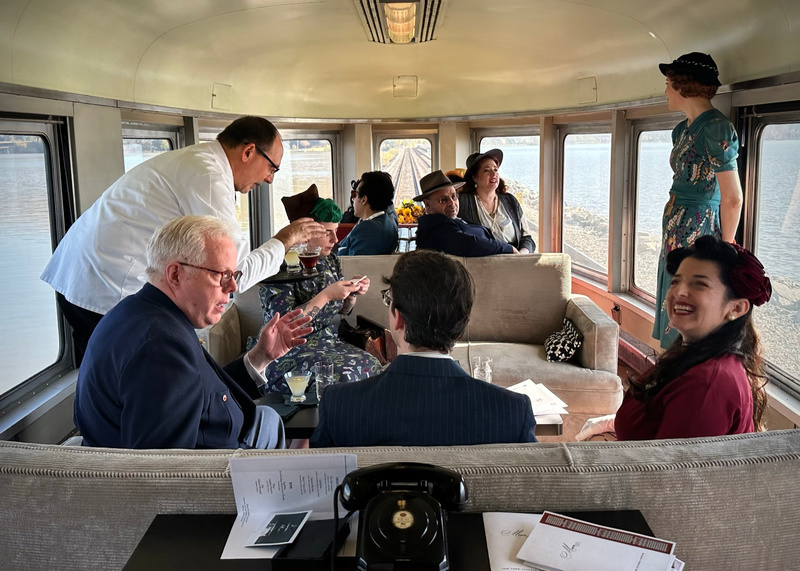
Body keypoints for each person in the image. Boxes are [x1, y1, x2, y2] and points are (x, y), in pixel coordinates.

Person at [41, 116, 324, 364]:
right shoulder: (208, 176)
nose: (270, 179)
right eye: (272, 168)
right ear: (249, 151)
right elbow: (236, 275)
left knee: (116, 384)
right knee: (134, 384)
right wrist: (285, 240)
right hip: (104, 286)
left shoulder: (200, 162)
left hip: (84, 275)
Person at [74, 215, 313, 449]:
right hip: (224, 461)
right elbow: (169, 472)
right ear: (176, 274)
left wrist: (261, 356)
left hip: (235, 426)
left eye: (233, 274)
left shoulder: (143, 312)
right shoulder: (160, 347)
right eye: (222, 275)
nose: (233, 287)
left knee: (267, 417)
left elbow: (202, 392)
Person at [310, 249, 536, 447]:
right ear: (463, 324)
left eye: (389, 300)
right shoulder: (513, 412)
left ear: (398, 320)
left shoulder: (339, 406)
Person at [577, 235, 771, 441]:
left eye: (699, 284)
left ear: (736, 308)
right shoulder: (694, 356)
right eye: (676, 282)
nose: (679, 291)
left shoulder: (707, 384)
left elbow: (673, 470)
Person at [653, 52, 743, 348]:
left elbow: (731, 198)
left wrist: (726, 248)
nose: (665, 90)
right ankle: (670, 362)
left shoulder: (716, 129)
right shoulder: (681, 130)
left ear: (683, 85)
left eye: (668, 82)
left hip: (698, 226)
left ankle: (685, 364)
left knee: (689, 294)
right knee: (674, 287)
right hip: (675, 227)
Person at [256, 196, 382, 392]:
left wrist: (351, 294)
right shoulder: (278, 265)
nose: (336, 239)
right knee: (341, 376)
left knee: (372, 365)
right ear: (304, 233)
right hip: (288, 349)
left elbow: (342, 311)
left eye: (336, 230)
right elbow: (284, 326)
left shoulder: (330, 260)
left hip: (329, 342)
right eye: (327, 233)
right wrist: (327, 295)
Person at [414, 170, 517, 256]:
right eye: (443, 200)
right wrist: (509, 248)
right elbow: (468, 244)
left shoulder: (447, 220)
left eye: (454, 196)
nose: (452, 203)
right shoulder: (435, 227)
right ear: (427, 205)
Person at [458, 149, 536, 253]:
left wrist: (521, 255)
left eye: (495, 170)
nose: (493, 174)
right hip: (480, 265)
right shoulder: (462, 202)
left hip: (515, 261)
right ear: (475, 177)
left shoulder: (510, 201)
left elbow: (527, 238)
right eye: (486, 170)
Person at [338, 171, 399, 255]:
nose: (352, 199)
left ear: (364, 199)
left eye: (354, 194)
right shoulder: (385, 221)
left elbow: (355, 264)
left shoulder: (368, 230)